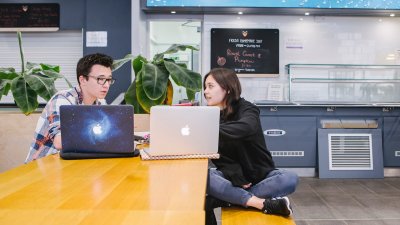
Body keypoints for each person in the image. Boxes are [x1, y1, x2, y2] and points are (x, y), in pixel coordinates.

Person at [204, 68, 299, 224]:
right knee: (205, 177)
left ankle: (225, 199)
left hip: (260, 177)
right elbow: (219, 157)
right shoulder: (212, 117)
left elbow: (246, 127)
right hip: (233, 179)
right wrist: (234, 175)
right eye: (205, 87)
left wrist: (207, 128)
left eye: (210, 86)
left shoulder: (248, 109)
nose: (206, 91)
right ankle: (260, 203)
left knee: (290, 179)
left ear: (227, 88)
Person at [25, 53, 115, 163]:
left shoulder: (100, 103)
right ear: (82, 80)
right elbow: (59, 142)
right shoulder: (63, 100)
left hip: (71, 163)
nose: (106, 85)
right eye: (101, 79)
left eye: (109, 79)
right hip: (42, 166)